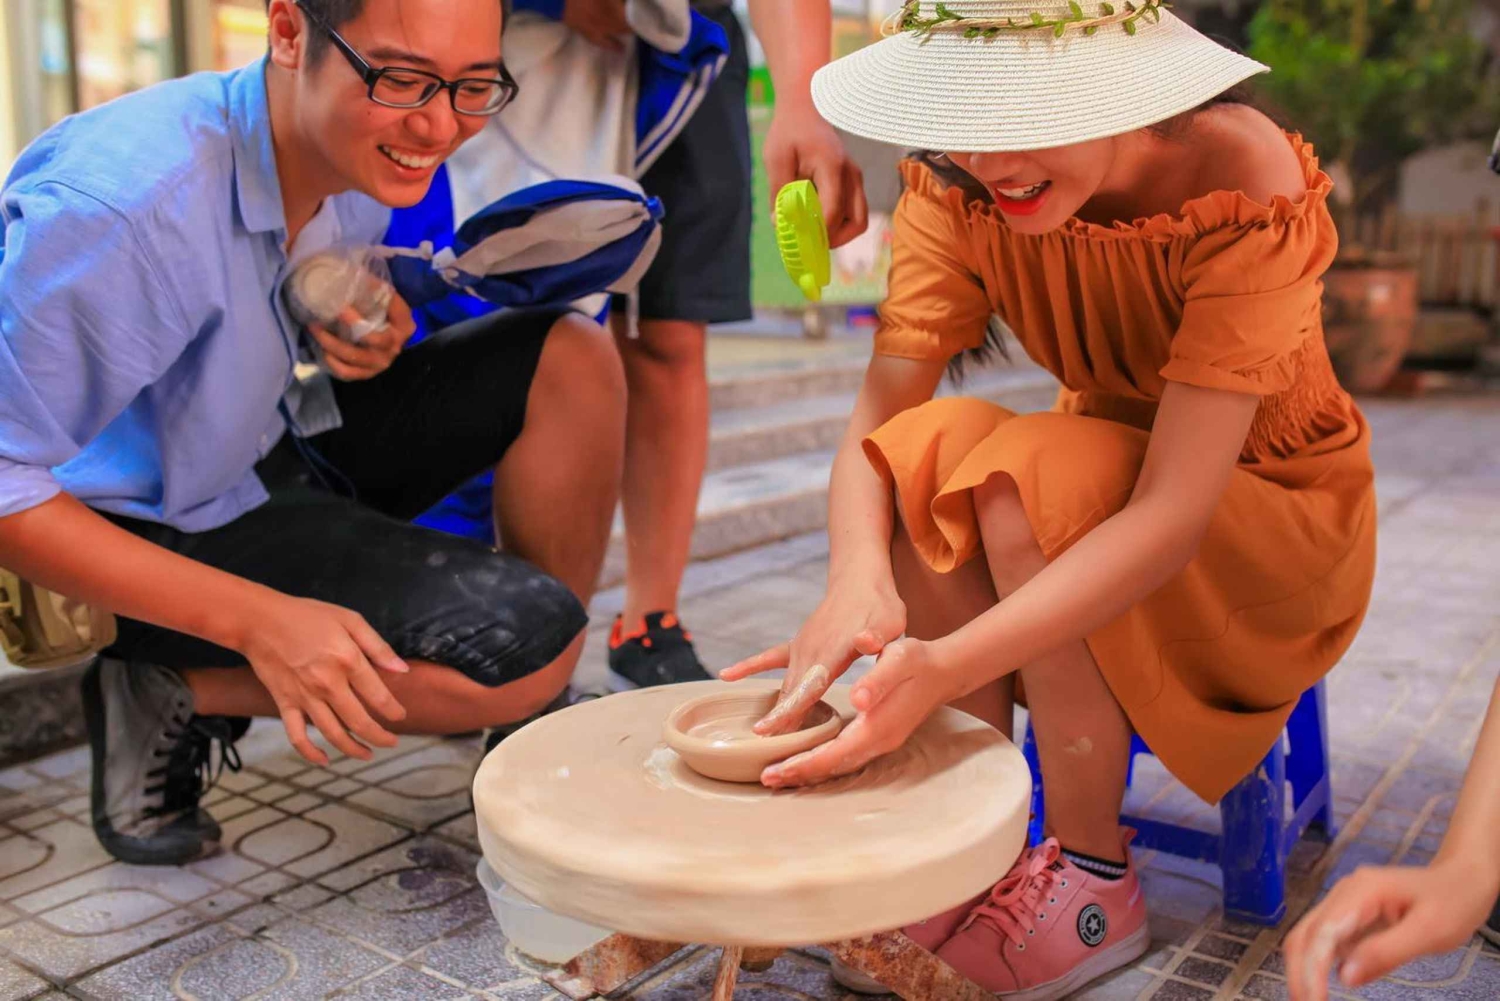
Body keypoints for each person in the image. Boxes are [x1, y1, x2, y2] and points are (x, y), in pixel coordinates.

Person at [722, 1, 1378, 996]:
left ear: (1126, 83)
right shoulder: (957, 174)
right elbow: (879, 426)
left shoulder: (1245, 177)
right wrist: (852, 585)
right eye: (967, 116)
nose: (994, 159)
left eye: (1029, 111)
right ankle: (958, 845)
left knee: (1026, 476)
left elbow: (1169, 515)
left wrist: (938, 668)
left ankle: (1091, 873)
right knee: (934, 453)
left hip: (1267, 524)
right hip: (1088, 487)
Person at [0, 0, 625, 867]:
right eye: (401, 78)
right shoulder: (126, 210)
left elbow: (288, 282)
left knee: (573, 355)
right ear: (289, 32)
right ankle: (168, 682)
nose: (439, 124)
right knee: (527, 654)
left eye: (474, 85)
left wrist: (340, 316)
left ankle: (522, 708)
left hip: (260, 452)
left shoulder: (347, 149)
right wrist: (263, 622)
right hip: (127, 538)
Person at [550, 0, 868, 688]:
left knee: (670, 334)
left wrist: (804, 99)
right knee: (539, 336)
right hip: (538, 46)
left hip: (691, 48)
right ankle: (529, 638)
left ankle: (647, 618)